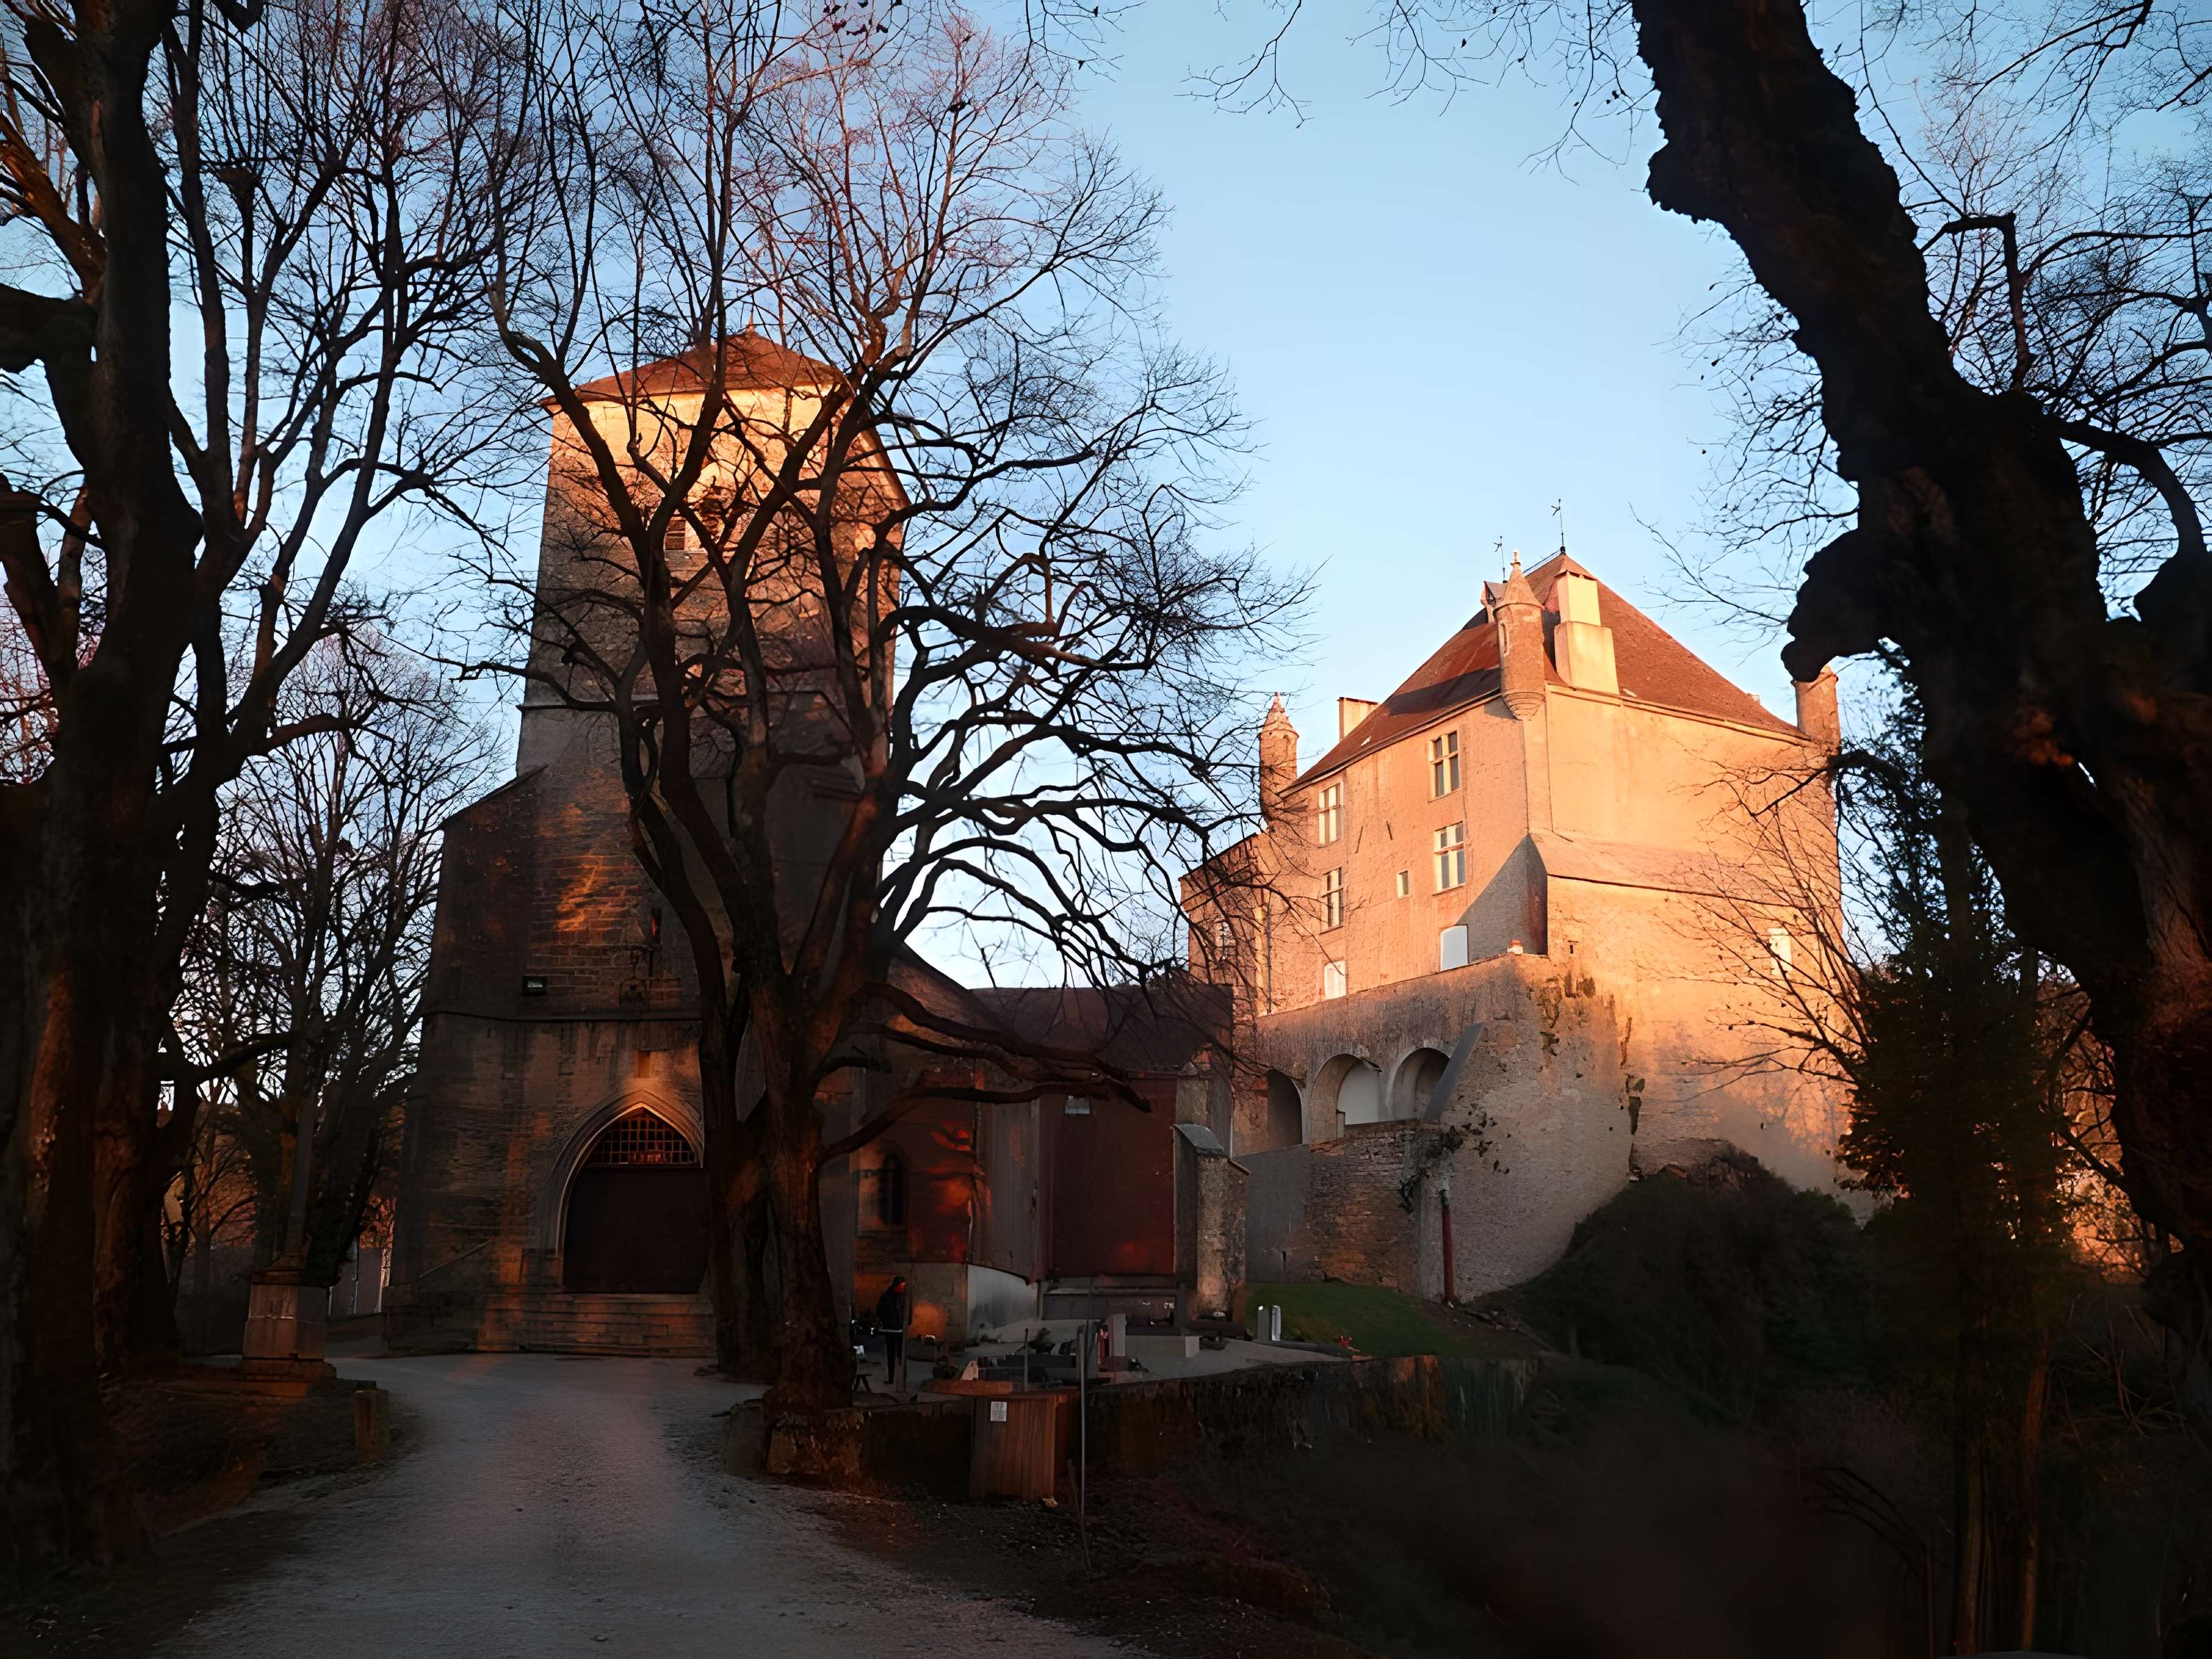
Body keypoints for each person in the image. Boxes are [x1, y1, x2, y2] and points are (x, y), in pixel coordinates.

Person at [874, 1276, 911, 1394]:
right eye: (901, 1286)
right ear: (896, 1286)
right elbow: (880, 1311)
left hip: (901, 1329)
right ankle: (891, 1378)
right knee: (891, 1354)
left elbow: (907, 1310)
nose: (903, 1288)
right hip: (891, 1329)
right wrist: (888, 1322)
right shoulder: (886, 1297)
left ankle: (902, 1381)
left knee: (902, 1355)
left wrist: (906, 1323)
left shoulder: (903, 1297)